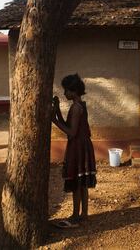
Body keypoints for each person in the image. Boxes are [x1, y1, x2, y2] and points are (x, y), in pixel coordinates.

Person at [52, 74, 97, 228]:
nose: (64, 94)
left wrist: (54, 120)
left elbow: (71, 132)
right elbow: (69, 127)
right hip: (82, 146)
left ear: (74, 91)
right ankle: (82, 215)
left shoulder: (76, 108)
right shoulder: (80, 105)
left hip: (78, 147)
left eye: (66, 91)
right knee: (81, 184)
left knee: (78, 184)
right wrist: (57, 111)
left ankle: (76, 215)